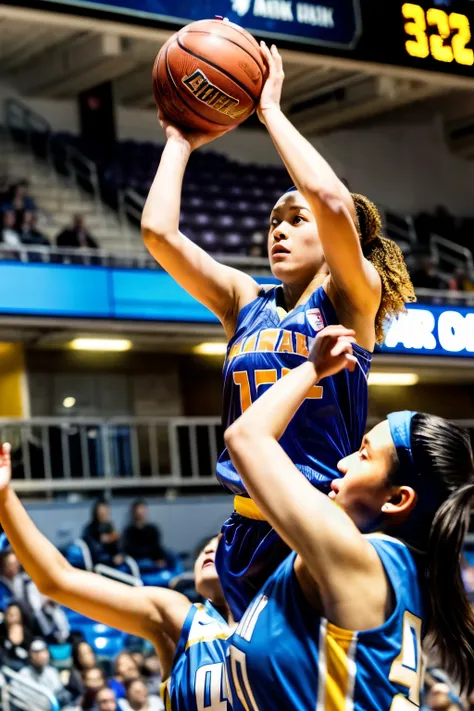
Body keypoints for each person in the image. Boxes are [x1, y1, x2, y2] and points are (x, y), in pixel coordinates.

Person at [141, 41, 415, 619]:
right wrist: (178, 141)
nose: (279, 230)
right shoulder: (244, 298)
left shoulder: (351, 300)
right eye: (273, 221)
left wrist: (269, 112)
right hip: (241, 526)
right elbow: (159, 233)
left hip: (309, 521)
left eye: (296, 219)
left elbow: (333, 203)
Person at [222, 325, 474, 709]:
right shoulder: (400, 571)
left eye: (363, 455)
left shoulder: (355, 555)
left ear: (396, 499)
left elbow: (246, 438)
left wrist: (312, 368)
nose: (341, 463)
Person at [0, 466, 233, 711]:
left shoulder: (271, 609)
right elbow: (57, 579)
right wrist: (4, 497)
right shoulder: (179, 616)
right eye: (205, 546)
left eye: (220, 544)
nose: (208, 549)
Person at [19, 639, 72, 708]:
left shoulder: (52, 671)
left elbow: (59, 694)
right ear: (30, 655)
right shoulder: (23, 674)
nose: (40, 656)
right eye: (36, 653)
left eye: (43, 652)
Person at [121, 500, 166, 566]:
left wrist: (159, 559)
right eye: (138, 509)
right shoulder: (128, 531)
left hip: (152, 564)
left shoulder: (153, 530)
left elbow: (157, 547)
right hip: (135, 564)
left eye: (143, 509)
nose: (140, 512)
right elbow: (126, 549)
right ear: (134, 511)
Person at [82, 500, 122, 567]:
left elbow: (119, 550)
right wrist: (112, 560)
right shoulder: (90, 530)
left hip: (112, 565)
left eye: (106, 513)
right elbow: (95, 556)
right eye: (101, 514)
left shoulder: (109, 527)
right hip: (100, 567)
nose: (104, 516)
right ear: (96, 514)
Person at [0, 602, 34, 671]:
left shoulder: (26, 632)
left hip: (24, 667)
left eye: (15, 614)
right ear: (5, 615)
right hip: (5, 667)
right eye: (10, 614)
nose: (12, 616)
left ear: (20, 615)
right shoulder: (1, 631)